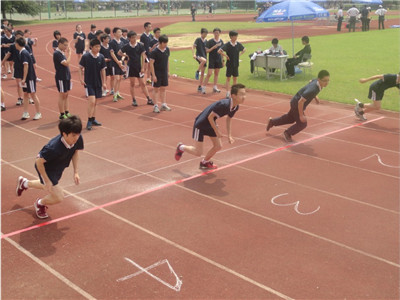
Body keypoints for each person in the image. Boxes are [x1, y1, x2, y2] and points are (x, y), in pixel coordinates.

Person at [16, 115, 84, 219]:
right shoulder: (53, 148)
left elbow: (75, 152)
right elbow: (39, 162)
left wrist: (76, 172)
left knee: (47, 185)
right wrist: (47, 180)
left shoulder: (77, 137)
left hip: (59, 165)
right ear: (64, 134)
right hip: (46, 167)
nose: (76, 138)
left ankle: (24, 183)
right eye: (73, 135)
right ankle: (40, 203)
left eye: (78, 135)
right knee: (58, 196)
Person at [174, 83, 246, 170]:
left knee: (218, 146)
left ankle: (204, 162)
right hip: (201, 124)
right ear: (234, 96)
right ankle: (181, 147)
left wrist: (229, 135)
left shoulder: (235, 107)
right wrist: (217, 131)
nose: (244, 97)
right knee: (198, 152)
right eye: (241, 94)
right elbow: (210, 117)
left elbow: (229, 119)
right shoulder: (223, 104)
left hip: (210, 123)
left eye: (245, 94)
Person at [266, 70, 330, 142]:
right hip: (297, 103)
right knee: (302, 124)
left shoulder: (317, 82)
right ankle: (287, 133)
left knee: (290, 118)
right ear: (319, 79)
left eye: (328, 80)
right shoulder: (313, 89)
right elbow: (301, 101)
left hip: (295, 101)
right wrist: (301, 115)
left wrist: (315, 97)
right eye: (324, 81)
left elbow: (310, 81)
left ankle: (272, 122)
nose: (326, 83)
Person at [119, 30, 154, 107]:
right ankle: (134, 100)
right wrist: (126, 56)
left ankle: (149, 99)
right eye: (133, 37)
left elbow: (143, 56)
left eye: (135, 37)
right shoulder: (126, 46)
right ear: (129, 38)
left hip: (138, 67)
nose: (134, 39)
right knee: (132, 84)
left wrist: (142, 67)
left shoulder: (140, 45)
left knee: (143, 83)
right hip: (131, 67)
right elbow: (119, 52)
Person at [78, 38, 106, 130]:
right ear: (91, 47)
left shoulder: (101, 57)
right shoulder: (86, 56)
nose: (98, 48)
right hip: (88, 82)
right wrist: (81, 79)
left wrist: (104, 82)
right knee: (92, 101)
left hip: (98, 82)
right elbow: (80, 67)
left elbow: (103, 70)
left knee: (95, 103)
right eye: (96, 47)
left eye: (99, 46)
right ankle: (89, 120)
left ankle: (93, 119)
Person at [16, 37, 42, 121]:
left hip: (29, 77)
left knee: (33, 94)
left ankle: (38, 113)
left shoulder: (24, 53)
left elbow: (26, 66)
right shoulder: (21, 52)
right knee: (26, 94)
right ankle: (26, 112)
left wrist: (23, 79)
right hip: (26, 77)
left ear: (17, 44)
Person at [218, 30, 245, 98]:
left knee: (235, 78)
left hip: (236, 64)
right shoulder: (227, 45)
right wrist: (225, 55)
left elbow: (244, 49)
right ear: (231, 37)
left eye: (236, 36)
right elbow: (219, 51)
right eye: (235, 36)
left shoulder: (238, 44)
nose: (236, 37)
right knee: (228, 78)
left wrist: (240, 54)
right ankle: (227, 92)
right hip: (229, 64)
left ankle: (234, 92)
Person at [149, 34, 171, 113]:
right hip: (157, 72)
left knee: (163, 88)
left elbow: (167, 60)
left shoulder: (167, 50)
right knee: (156, 89)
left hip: (164, 72)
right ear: (160, 43)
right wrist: (153, 75)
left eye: (166, 43)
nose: (166, 45)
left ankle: (163, 104)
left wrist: (168, 71)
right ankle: (155, 106)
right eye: (164, 43)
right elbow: (151, 63)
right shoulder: (155, 52)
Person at [53, 37, 72, 120]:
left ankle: (67, 111)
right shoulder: (57, 53)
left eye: (67, 45)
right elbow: (66, 63)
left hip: (66, 75)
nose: (66, 47)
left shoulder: (62, 52)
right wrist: (70, 54)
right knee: (62, 95)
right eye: (65, 45)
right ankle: (61, 113)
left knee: (67, 94)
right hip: (61, 76)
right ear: (59, 44)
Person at [203, 27, 224, 94]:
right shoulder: (210, 41)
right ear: (213, 33)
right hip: (212, 59)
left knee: (216, 73)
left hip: (218, 59)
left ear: (219, 33)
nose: (216, 34)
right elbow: (206, 51)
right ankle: (203, 87)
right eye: (215, 33)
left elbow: (222, 52)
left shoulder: (221, 42)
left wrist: (223, 60)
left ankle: (215, 87)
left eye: (217, 33)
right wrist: (213, 47)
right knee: (209, 74)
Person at [109, 27, 125, 102]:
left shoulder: (122, 42)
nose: (120, 33)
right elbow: (112, 53)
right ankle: (114, 94)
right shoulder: (112, 42)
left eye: (121, 32)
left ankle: (117, 92)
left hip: (121, 62)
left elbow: (123, 53)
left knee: (120, 79)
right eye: (119, 32)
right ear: (114, 33)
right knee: (117, 78)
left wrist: (121, 60)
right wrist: (118, 62)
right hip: (115, 63)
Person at [192, 28, 208, 93]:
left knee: (203, 73)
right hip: (198, 55)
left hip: (204, 56)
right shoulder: (198, 39)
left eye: (206, 34)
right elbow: (193, 46)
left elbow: (207, 50)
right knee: (204, 61)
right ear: (201, 33)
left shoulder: (206, 41)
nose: (205, 35)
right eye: (204, 33)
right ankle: (197, 71)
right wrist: (194, 54)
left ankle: (199, 86)